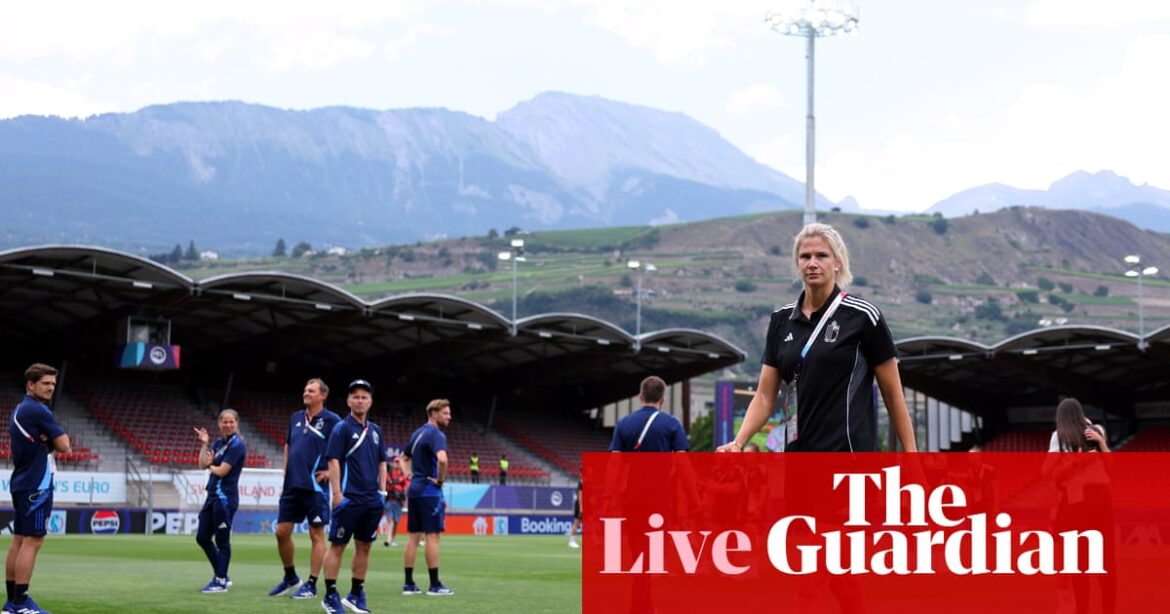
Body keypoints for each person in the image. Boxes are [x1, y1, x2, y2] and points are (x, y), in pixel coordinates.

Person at [717, 222, 917, 454]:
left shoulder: (863, 316)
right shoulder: (781, 321)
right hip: (798, 459)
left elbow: (893, 395)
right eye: (805, 256)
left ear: (837, 262)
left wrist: (912, 457)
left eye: (822, 256)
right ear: (797, 263)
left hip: (849, 458)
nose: (812, 263)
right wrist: (738, 443)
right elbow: (764, 396)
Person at [5, 363, 71, 614]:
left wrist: (48, 441)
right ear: (30, 385)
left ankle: (12, 602)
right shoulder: (38, 410)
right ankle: (20, 603)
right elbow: (65, 445)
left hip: (23, 482)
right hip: (37, 485)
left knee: (20, 540)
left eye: (53, 384)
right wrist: (52, 441)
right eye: (45, 383)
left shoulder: (21, 409)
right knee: (33, 541)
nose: (51, 388)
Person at [270, 378, 341, 599]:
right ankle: (291, 577)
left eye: (311, 390)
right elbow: (288, 445)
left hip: (315, 487)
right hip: (292, 485)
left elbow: (344, 450)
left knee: (316, 534)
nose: (306, 393)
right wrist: (286, 472)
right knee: (281, 532)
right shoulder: (296, 418)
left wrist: (330, 472)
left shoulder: (333, 420)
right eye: (305, 390)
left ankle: (311, 583)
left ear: (323, 395)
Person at [320, 379, 387, 614]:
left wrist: (382, 492)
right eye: (355, 396)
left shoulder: (376, 430)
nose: (360, 400)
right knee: (338, 546)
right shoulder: (342, 428)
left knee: (364, 546)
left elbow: (382, 462)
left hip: (372, 500)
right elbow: (333, 461)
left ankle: (356, 594)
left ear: (370, 402)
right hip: (349, 498)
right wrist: (337, 494)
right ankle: (330, 595)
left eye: (364, 397)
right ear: (349, 401)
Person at [1043, 398, 1115, 614]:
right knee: (1102, 558)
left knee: (1082, 561)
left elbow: (1046, 471)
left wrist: (1099, 444)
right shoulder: (1087, 431)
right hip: (1098, 498)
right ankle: (1105, 609)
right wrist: (1084, 457)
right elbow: (1110, 467)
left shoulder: (1063, 436)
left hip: (1080, 499)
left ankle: (1082, 608)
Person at [401, 399, 454, 596]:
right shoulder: (436, 434)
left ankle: (408, 584)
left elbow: (403, 458)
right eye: (445, 413)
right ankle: (434, 584)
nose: (449, 417)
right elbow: (442, 459)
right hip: (429, 492)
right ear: (434, 413)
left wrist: (409, 475)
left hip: (415, 489)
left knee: (413, 537)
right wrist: (440, 481)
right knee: (433, 536)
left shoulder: (418, 433)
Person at [194, 409, 247, 594]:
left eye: (231, 422)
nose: (228, 425)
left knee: (222, 541)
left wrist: (211, 464)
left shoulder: (237, 445)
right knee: (202, 538)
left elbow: (222, 471)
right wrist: (204, 444)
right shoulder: (218, 443)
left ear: (236, 423)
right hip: (212, 497)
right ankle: (222, 574)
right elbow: (202, 464)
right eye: (225, 422)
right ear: (219, 423)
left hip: (225, 498)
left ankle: (220, 580)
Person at [609, 376, 688, 453]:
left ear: (641, 397)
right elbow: (681, 458)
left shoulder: (622, 423)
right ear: (662, 400)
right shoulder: (673, 423)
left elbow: (615, 458)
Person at [382, 455, 408, 547]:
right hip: (389, 500)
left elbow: (406, 487)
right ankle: (388, 540)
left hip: (398, 502)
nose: (397, 464)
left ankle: (392, 539)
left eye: (398, 462)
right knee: (391, 520)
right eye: (395, 462)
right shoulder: (388, 474)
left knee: (396, 522)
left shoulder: (403, 475)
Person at [567, 476, 583, 548]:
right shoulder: (583, 480)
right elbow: (580, 493)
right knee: (577, 522)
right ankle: (572, 541)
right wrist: (581, 506)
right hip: (580, 503)